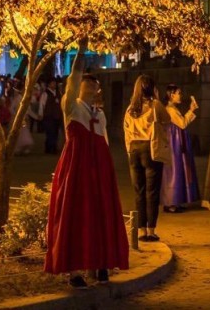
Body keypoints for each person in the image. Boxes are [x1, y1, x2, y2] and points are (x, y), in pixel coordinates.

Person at [44, 72, 128, 287]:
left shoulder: (100, 114)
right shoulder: (71, 106)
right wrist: (79, 58)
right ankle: (74, 271)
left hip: (99, 168)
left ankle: (101, 264)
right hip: (76, 167)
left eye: (94, 81)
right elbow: (72, 83)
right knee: (75, 212)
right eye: (86, 80)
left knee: (101, 212)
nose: (90, 83)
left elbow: (104, 141)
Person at [123, 75, 170, 242]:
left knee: (139, 191)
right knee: (152, 191)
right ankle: (151, 230)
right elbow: (167, 119)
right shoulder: (155, 105)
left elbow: (126, 130)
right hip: (150, 148)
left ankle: (141, 230)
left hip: (134, 149)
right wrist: (156, 98)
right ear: (152, 88)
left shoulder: (130, 108)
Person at [161, 84, 201, 212]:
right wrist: (191, 110)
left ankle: (174, 201)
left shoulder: (172, 108)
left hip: (176, 141)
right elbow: (182, 123)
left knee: (176, 170)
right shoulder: (170, 109)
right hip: (174, 144)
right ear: (172, 95)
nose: (180, 95)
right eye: (178, 93)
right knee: (175, 171)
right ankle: (171, 202)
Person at [40, 78, 63, 154]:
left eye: (54, 83)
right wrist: (41, 114)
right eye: (52, 83)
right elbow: (42, 104)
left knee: (56, 132)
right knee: (50, 132)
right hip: (48, 116)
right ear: (49, 84)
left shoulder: (58, 93)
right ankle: (49, 148)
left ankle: (53, 147)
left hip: (57, 116)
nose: (54, 84)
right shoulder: (45, 94)